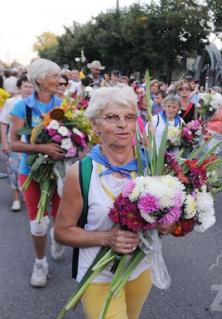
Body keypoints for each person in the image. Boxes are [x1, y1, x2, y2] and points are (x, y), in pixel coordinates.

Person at [54, 85, 176, 319]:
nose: (122, 124)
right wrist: (106, 238)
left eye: (129, 117)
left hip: (140, 270)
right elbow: (61, 232)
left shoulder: (152, 166)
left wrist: (166, 224)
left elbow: (167, 220)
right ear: (95, 125)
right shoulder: (81, 172)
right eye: (112, 117)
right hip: (98, 274)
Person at [9, 59, 65, 288]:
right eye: (54, 76)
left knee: (61, 218)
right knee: (38, 223)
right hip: (31, 172)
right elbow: (14, 144)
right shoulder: (22, 107)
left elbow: (70, 136)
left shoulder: (62, 105)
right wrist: (42, 148)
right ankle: (40, 263)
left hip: (59, 171)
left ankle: (57, 236)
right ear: (41, 79)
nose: (59, 80)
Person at [0, 75, 34, 211]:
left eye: (31, 86)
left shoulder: (37, 103)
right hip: (15, 143)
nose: (28, 89)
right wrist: (4, 143)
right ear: (20, 86)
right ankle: (16, 198)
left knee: (30, 171)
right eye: (26, 86)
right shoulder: (11, 102)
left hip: (32, 144)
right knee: (14, 170)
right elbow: (3, 123)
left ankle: (28, 193)